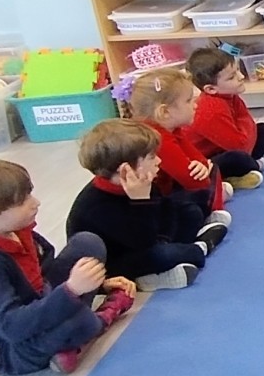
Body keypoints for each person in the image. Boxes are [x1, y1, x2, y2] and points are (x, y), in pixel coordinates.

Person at [0, 157, 134, 376]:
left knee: (87, 243)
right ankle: (99, 320)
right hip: (8, 349)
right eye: (22, 202)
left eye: (29, 194)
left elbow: (40, 276)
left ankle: (70, 342)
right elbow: (11, 327)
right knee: (80, 321)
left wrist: (95, 283)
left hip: (34, 304)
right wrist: (73, 290)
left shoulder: (13, 229)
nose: (35, 203)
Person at [66, 119, 229, 292]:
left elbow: (166, 209)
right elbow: (142, 241)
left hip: (148, 238)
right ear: (126, 170)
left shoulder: (140, 180)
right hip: (118, 262)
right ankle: (199, 248)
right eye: (151, 157)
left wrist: (164, 239)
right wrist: (141, 200)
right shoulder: (96, 207)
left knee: (190, 211)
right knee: (165, 255)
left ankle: (175, 258)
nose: (158, 160)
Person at [130, 68, 228, 226]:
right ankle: (211, 217)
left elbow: (199, 160)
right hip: (152, 206)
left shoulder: (170, 129)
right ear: (165, 112)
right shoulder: (158, 138)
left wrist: (203, 166)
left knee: (218, 167)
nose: (195, 105)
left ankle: (218, 194)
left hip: (165, 191)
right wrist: (206, 171)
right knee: (198, 200)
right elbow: (196, 182)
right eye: (189, 101)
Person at [183, 48, 264, 189]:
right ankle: (252, 167)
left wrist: (245, 133)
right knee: (238, 158)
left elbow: (246, 127)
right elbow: (242, 147)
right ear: (211, 89)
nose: (241, 76)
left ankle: (252, 166)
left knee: (263, 130)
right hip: (203, 161)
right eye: (232, 77)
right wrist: (245, 134)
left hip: (224, 147)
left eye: (238, 70)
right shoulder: (211, 110)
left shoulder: (229, 95)